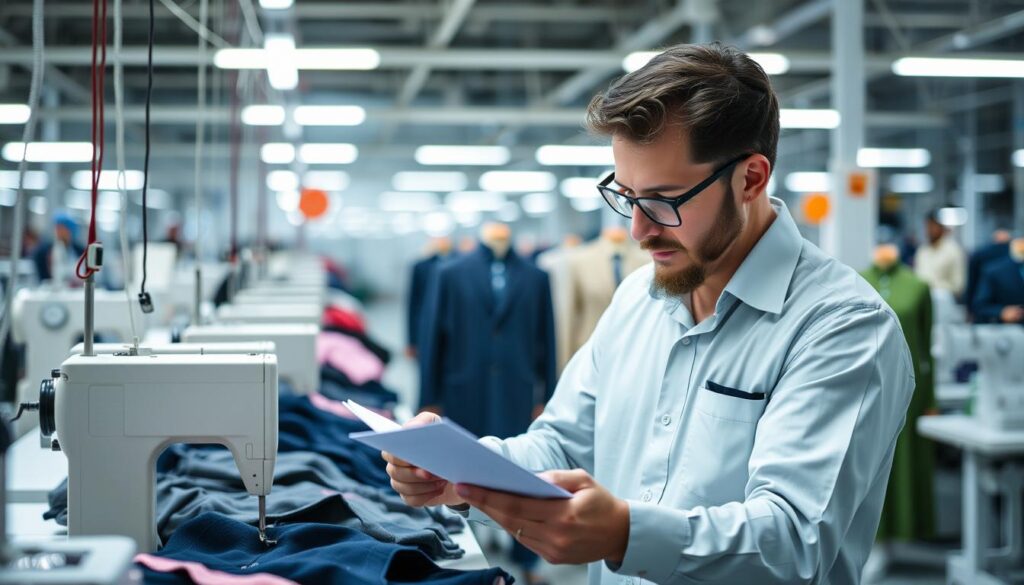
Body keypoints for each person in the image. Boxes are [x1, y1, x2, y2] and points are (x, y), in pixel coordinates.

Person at [383, 43, 913, 585]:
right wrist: (460, 468)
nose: (638, 229)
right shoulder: (638, 298)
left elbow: (796, 541)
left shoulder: (843, 328)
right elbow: (563, 444)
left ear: (751, 179)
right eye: (627, 196)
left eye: (663, 200)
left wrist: (624, 535)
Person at [913, 209, 966, 298]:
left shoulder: (953, 251)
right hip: (921, 298)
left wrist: (933, 287)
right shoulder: (922, 250)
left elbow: (958, 286)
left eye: (933, 225)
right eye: (927, 226)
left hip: (943, 300)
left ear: (941, 227)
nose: (929, 229)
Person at [31, 211, 84, 285]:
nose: (59, 231)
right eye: (57, 228)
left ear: (70, 230)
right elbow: (42, 277)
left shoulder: (80, 250)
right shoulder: (42, 252)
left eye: (62, 228)